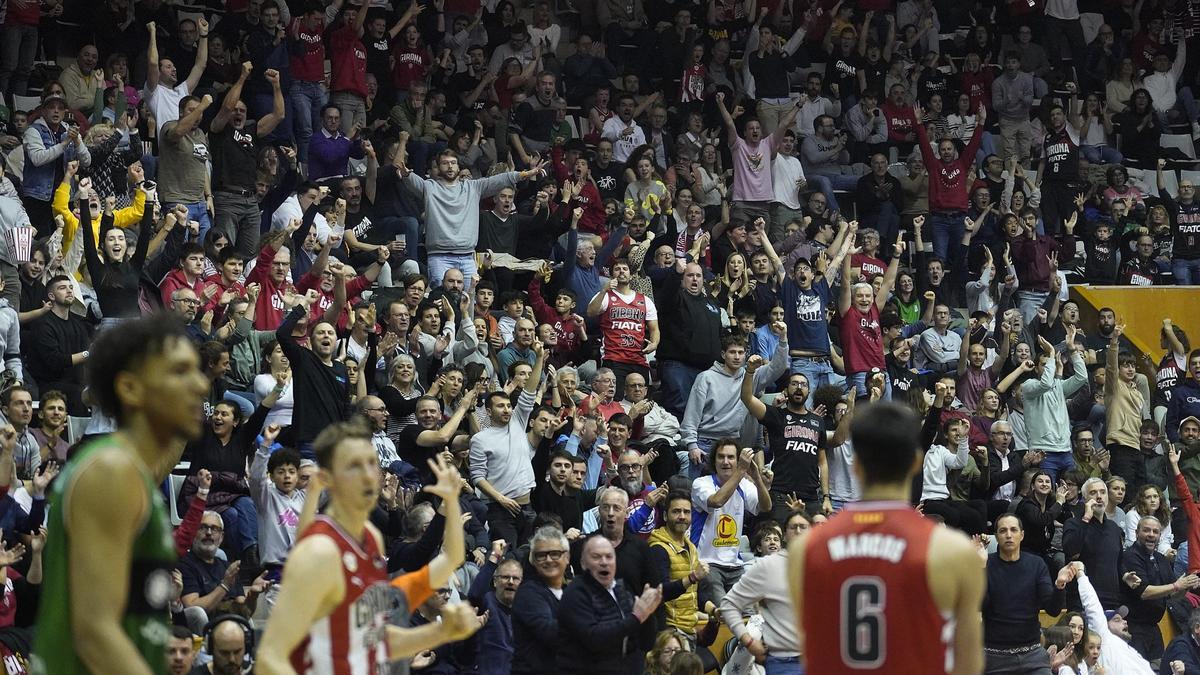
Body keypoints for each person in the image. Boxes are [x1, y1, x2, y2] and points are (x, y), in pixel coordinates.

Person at [33, 314, 210, 673]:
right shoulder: (108, 473)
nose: (201, 385)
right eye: (179, 372)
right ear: (130, 388)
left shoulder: (132, 471)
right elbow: (95, 631)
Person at [255, 422, 483, 673]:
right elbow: (271, 657)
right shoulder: (319, 548)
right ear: (328, 478)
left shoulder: (370, 538)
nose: (367, 474)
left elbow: (375, 640)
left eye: (371, 463)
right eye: (354, 465)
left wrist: (441, 631)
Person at [788, 401, 985, 674]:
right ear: (916, 463)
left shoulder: (805, 549)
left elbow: (808, 644)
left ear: (856, 465)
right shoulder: (952, 551)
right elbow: (967, 664)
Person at [556, 535, 662, 674]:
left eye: (609, 557)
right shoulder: (576, 592)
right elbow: (594, 639)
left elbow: (643, 643)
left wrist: (648, 613)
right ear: (583, 563)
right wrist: (637, 616)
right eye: (596, 557)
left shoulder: (621, 590)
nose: (604, 562)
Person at [719, 509, 806, 674]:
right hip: (784, 662)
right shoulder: (766, 565)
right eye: (794, 527)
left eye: (803, 527)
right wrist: (749, 642)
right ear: (785, 535)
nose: (799, 532)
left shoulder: (823, 564)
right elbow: (729, 604)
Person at [691, 440, 772, 607]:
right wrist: (741, 470)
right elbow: (716, 501)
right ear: (714, 461)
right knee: (725, 612)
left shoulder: (744, 485)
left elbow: (765, 507)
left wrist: (756, 476)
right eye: (721, 457)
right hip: (706, 564)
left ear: (737, 460)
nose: (726, 462)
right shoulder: (701, 483)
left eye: (730, 457)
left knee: (751, 615)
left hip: (735, 565)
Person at [982, 513, 1065, 673]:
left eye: (1013, 530)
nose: (1008, 535)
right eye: (1003, 530)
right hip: (994, 658)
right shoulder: (985, 563)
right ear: (996, 536)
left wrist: (1060, 585)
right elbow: (979, 606)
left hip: (1033, 655)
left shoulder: (1036, 564)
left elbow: (1053, 610)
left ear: (1022, 535)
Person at [1119, 515, 1199, 661]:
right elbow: (1144, 592)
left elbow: (1173, 595)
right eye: (1146, 530)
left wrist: (1186, 585)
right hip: (1133, 627)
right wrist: (1176, 585)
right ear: (1137, 533)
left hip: (1153, 627)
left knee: (1158, 667)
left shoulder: (1161, 559)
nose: (1151, 535)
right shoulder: (1130, 556)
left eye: (1155, 532)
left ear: (1160, 536)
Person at [1056, 561, 1156, 674]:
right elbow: (1092, 604)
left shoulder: (1127, 648)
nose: (1124, 622)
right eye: (1116, 620)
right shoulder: (1103, 637)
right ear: (1104, 624)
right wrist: (1080, 574)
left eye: (1122, 619)